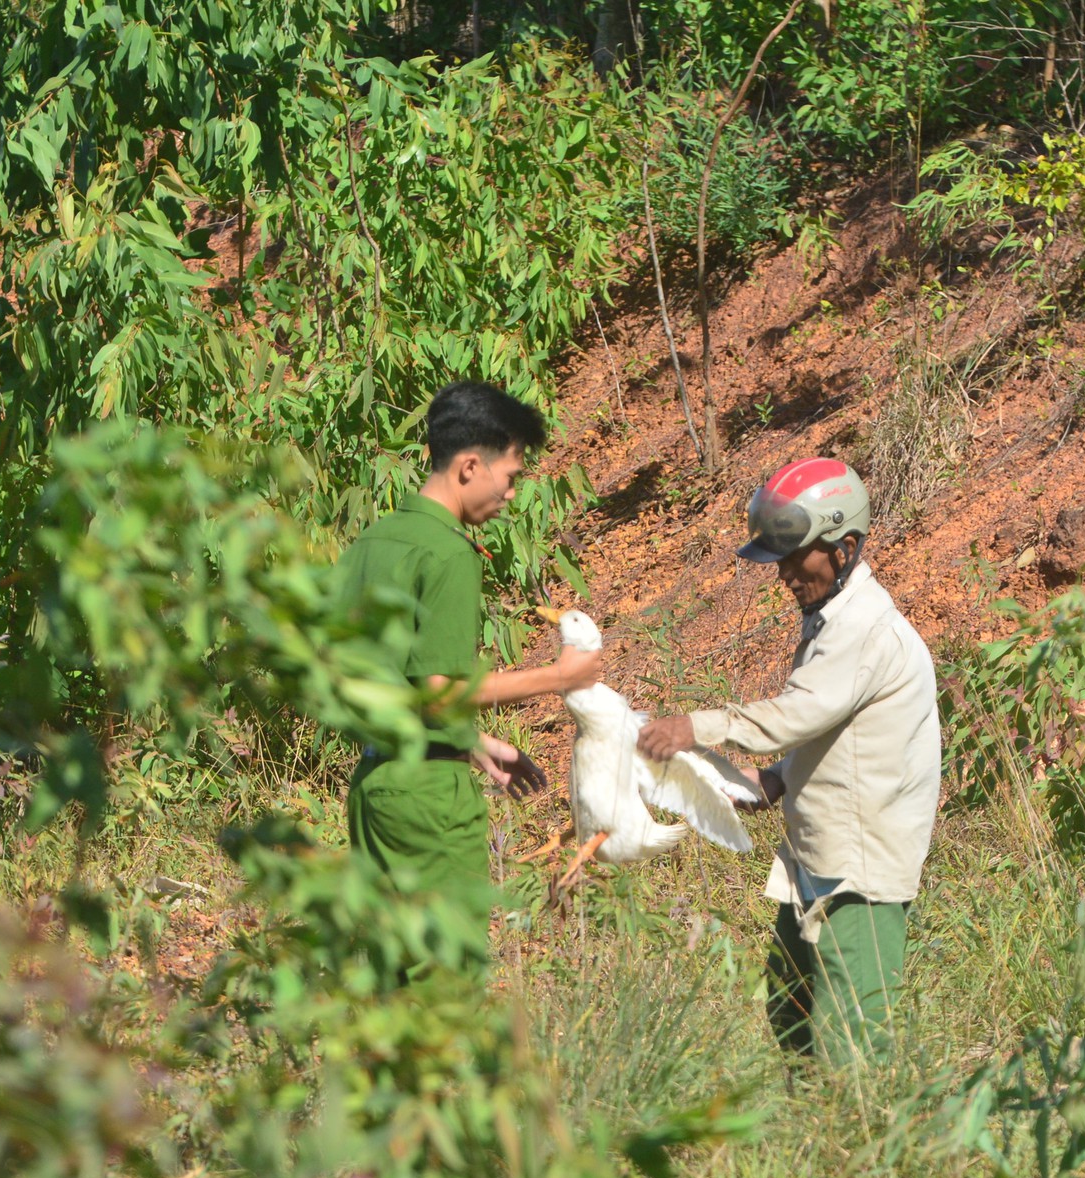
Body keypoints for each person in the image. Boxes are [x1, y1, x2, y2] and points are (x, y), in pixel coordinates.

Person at [637, 458, 940, 1067]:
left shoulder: (866, 630)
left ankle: (861, 1154)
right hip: (820, 860)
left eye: (794, 555)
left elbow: (797, 714)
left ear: (845, 547)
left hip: (858, 878)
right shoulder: (829, 621)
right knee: (791, 1014)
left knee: (851, 1047)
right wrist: (775, 778)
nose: (783, 574)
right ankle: (812, 1145)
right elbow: (833, 725)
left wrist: (694, 727)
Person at [335, 380, 603, 922]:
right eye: (509, 478)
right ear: (469, 467)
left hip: (372, 788)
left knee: (392, 978)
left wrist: (473, 742)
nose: (510, 495)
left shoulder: (375, 542)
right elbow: (440, 693)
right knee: (444, 983)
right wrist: (558, 676)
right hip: (429, 800)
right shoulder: (448, 554)